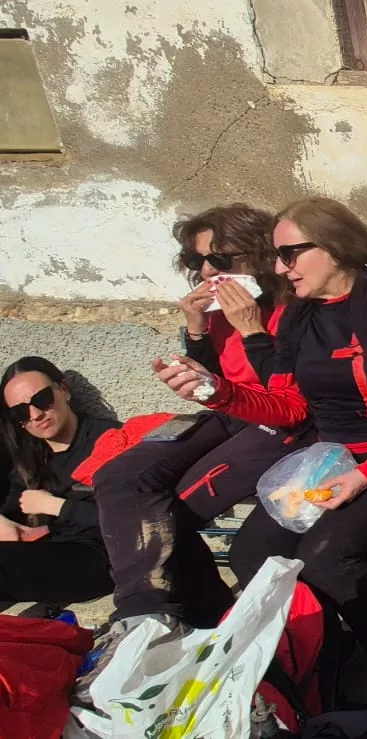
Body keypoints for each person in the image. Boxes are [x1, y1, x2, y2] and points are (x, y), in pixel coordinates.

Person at [153, 197, 367, 678]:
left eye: (291, 254)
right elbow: (289, 408)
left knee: (327, 555)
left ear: (335, 248)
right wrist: (217, 392)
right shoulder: (301, 316)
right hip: (335, 455)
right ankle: (327, 647)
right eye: (278, 256)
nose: (281, 269)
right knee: (252, 553)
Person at [93, 203, 306, 635]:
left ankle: (192, 614)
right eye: (198, 261)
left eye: (220, 260)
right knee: (120, 475)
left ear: (257, 254)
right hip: (229, 413)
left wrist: (252, 330)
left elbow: (290, 397)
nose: (208, 271)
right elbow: (214, 378)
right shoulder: (219, 309)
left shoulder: (292, 308)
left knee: (173, 511)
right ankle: (148, 609)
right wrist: (195, 329)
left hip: (278, 422)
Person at [1, 357, 119, 604]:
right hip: (50, 551)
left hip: (100, 557)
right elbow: (13, 508)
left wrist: (55, 506)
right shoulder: (31, 456)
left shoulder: (110, 440)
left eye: (42, 400)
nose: (35, 415)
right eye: (21, 412)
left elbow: (134, 515)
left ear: (64, 390)